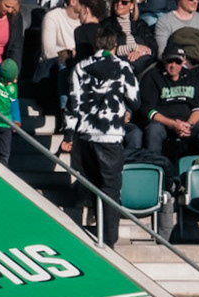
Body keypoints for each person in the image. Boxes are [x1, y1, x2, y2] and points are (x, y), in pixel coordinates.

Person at [64, 31, 142, 248]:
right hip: (110, 135)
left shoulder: (80, 67)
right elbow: (135, 100)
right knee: (110, 187)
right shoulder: (122, 66)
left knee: (91, 184)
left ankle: (89, 232)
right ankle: (108, 240)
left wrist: (68, 135)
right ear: (115, 45)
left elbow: (72, 104)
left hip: (85, 134)